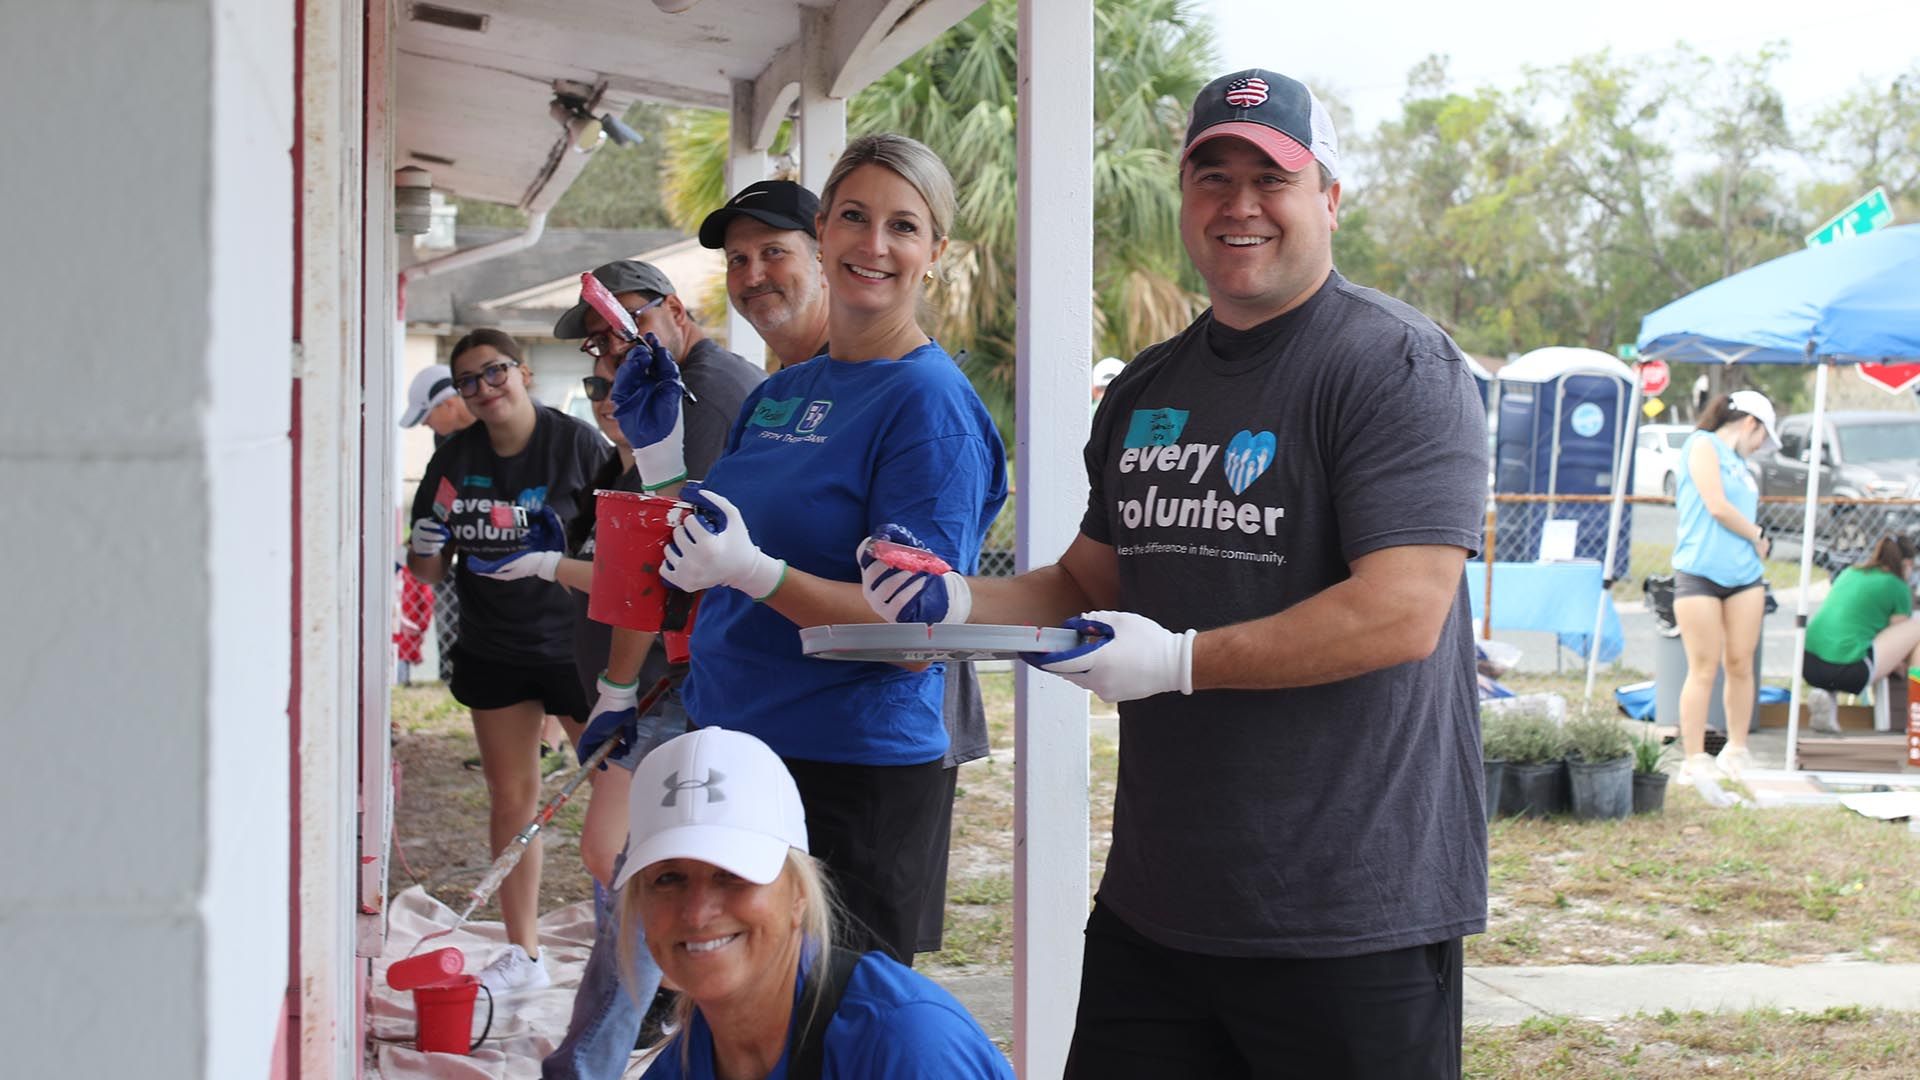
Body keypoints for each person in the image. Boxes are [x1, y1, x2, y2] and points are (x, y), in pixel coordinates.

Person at [860, 69, 1486, 1078]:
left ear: (1328, 198)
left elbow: (1402, 612)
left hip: (1349, 915)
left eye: (1271, 178)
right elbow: (1085, 582)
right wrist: (958, 596)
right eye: (1212, 176)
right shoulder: (1149, 386)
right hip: (1160, 907)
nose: (1239, 205)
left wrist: (1186, 661)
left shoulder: (1395, 367)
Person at [640, 134, 1008, 966]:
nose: (874, 245)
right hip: (734, 745)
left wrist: (755, 574)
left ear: (934, 253)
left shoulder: (928, 406)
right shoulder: (780, 392)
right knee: (745, 1019)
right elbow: (697, 545)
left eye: (903, 226)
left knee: (838, 1032)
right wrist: (659, 457)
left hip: (848, 771)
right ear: (826, 235)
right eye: (854, 217)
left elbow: (916, 641)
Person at [473, 261, 767, 1078]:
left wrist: (618, 688)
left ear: (674, 308)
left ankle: (609, 1051)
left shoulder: (705, 387)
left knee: (637, 865)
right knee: (635, 868)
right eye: (599, 345)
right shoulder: (662, 391)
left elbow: (659, 567)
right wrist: (552, 568)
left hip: (685, 675)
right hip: (674, 673)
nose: (609, 356)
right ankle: (631, 1041)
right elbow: (632, 558)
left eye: (620, 328)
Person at [614, 726, 1014, 1079]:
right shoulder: (688, 1060)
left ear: (799, 893)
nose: (697, 913)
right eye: (668, 878)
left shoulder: (905, 1043)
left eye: (733, 875)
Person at [407, 327, 613, 998]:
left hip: (575, 647)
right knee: (512, 801)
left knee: (617, 801)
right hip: (495, 648)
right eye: (468, 381)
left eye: (495, 372)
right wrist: (426, 544)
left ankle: (637, 956)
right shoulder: (452, 460)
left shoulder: (577, 445)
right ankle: (523, 955)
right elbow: (429, 569)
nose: (484, 389)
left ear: (522, 372)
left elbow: (620, 542)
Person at [1672, 390, 1779, 782]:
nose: (1761, 446)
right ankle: (1695, 756)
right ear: (1751, 423)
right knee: (1703, 665)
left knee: (1740, 662)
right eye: (1763, 437)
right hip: (1699, 570)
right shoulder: (1703, 445)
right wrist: (1757, 534)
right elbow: (1715, 505)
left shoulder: (1742, 466)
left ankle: (1737, 749)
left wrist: (1754, 543)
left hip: (1745, 575)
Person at [400, 362, 477, 682]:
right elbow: (440, 498)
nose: (427, 427)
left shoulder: (500, 427)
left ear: (449, 403)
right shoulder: (446, 446)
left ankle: (550, 734)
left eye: (428, 418)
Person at [1802, 534, 1920, 733]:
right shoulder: (1898, 586)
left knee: (1845, 643)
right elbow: (1900, 642)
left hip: (1809, 663)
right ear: (1907, 563)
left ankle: (1827, 704)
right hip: (1850, 670)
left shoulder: (1851, 572)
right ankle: (1917, 713)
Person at [401, 362, 477, 443]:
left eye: (427, 416)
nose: (423, 423)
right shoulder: (443, 439)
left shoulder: (490, 425)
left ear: (448, 404)